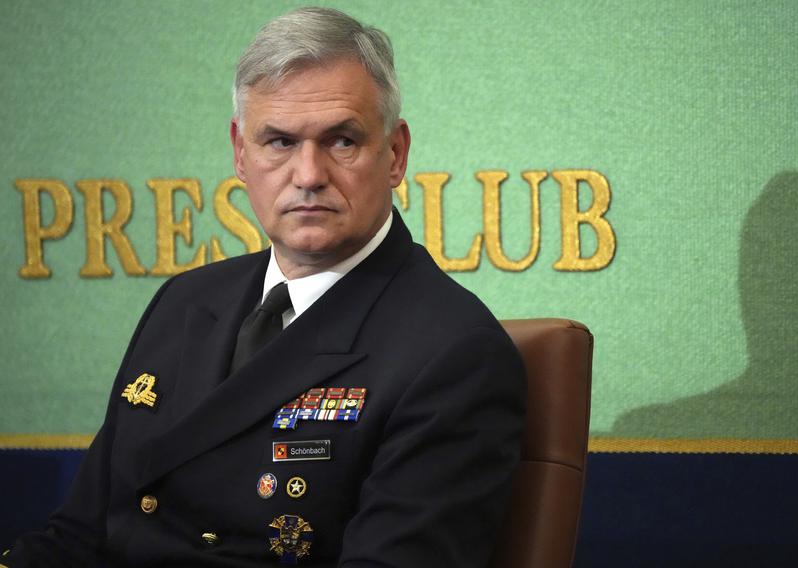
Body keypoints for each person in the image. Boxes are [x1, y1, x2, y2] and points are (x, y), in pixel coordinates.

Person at [3, 7, 525, 567]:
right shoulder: (184, 301)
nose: (307, 174)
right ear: (239, 153)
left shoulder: (451, 350)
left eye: (342, 141)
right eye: (278, 142)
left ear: (395, 154)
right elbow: (78, 536)